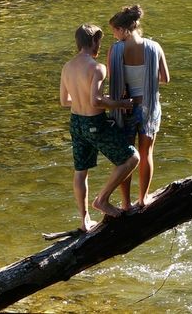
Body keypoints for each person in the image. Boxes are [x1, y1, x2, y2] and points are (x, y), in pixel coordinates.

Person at [60, 23, 139, 232]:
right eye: (99, 42)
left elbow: (64, 100)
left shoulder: (67, 67)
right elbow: (96, 101)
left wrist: (81, 99)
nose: (99, 46)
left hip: (75, 122)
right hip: (94, 123)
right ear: (94, 41)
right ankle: (102, 199)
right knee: (132, 158)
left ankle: (84, 221)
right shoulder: (97, 68)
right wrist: (121, 104)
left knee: (80, 171)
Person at [107, 4, 170, 209]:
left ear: (123, 29)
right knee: (146, 154)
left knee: (127, 157)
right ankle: (143, 199)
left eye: (114, 31)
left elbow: (112, 78)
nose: (114, 35)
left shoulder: (115, 50)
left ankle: (126, 204)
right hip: (149, 107)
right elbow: (165, 79)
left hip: (124, 107)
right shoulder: (154, 47)